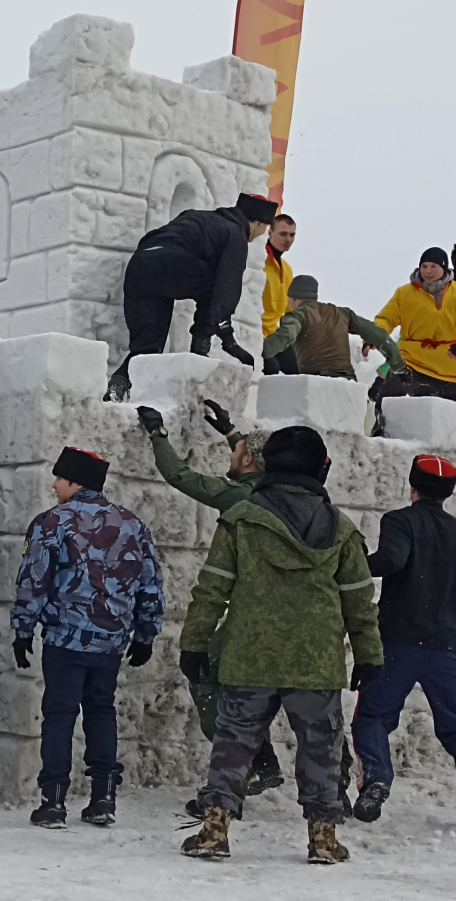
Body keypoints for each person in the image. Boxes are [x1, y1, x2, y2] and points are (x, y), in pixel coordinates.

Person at [180, 426, 382, 864]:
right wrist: (369, 655)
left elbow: (212, 589)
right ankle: (323, 840)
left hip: (250, 655)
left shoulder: (241, 519)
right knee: (321, 749)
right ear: (318, 467)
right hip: (316, 660)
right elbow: (359, 601)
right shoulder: (342, 530)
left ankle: (215, 831)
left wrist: (193, 644)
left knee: (234, 744)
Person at [135, 402, 286, 807]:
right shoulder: (279, 493)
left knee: (206, 679)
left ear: (251, 460)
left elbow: (180, 476)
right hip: (294, 619)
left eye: (236, 453)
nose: (230, 458)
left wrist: (157, 433)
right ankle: (286, 770)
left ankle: (247, 766)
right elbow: (249, 457)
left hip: (252, 619)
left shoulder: (241, 495)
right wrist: (232, 433)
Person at [13, 447, 164, 829]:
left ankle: (53, 801)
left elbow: (34, 581)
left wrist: (23, 630)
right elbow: (150, 582)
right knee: (101, 711)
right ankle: (103, 798)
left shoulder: (52, 522)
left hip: (65, 639)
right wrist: (146, 633)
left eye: (59, 478)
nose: (53, 484)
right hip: (111, 641)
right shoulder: (132, 524)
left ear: (74, 482)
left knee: (59, 715)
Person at [350, 455, 456, 823]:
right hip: (446, 645)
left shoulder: (400, 520)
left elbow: (391, 560)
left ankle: (376, 779)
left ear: (412, 486)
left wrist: (353, 562)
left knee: (374, 717)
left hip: (397, 642)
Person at [105, 193, 279, 401]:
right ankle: (199, 351)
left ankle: (117, 386)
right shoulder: (235, 233)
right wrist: (227, 337)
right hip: (171, 263)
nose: (262, 234)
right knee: (214, 288)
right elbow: (227, 286)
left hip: (141, 264)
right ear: (258, 222)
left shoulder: (199, 217)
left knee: (147, 348)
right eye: (265, 228)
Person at [263, 275, 402, 380]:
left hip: (317, 382)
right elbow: (377, 334)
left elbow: (287, 334)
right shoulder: (342, 313)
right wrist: (397, 362)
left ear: (292, 298)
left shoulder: (296, 316)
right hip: (348, 382)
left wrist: (260, 353)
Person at [370, 247, 456, 402]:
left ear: (444, 268)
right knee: (387, 398)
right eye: (424, 266)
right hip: (412, 359)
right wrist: (373, 337)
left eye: (433, 266)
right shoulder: (404, 293)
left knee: (448, 415)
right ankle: (381, 424)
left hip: (449, 363)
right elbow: (386, 319)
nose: (428, 271)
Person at [261, 214, 297, 373]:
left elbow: (290, 310)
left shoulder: (287, 269)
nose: (288, 239)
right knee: (271, 369)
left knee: (299, 368)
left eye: (292, 234)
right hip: (255, 333)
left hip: (274, 335)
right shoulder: (258, 261)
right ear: (270, 232)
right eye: (283, 234)